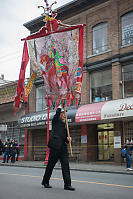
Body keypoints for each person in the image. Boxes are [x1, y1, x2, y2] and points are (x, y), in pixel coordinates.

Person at [41, 107, 75, 191]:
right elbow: (56, 114)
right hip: (55, 148)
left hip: (63, 148)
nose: (64, 115)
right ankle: (45, 182)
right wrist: (60, 106)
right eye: (63, 113)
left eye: (65, 114)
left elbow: (66, 138)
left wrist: (68, 139)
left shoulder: (65, 124)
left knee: (66, 166)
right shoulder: (55, 121)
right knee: (50, 166)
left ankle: (67, 184)